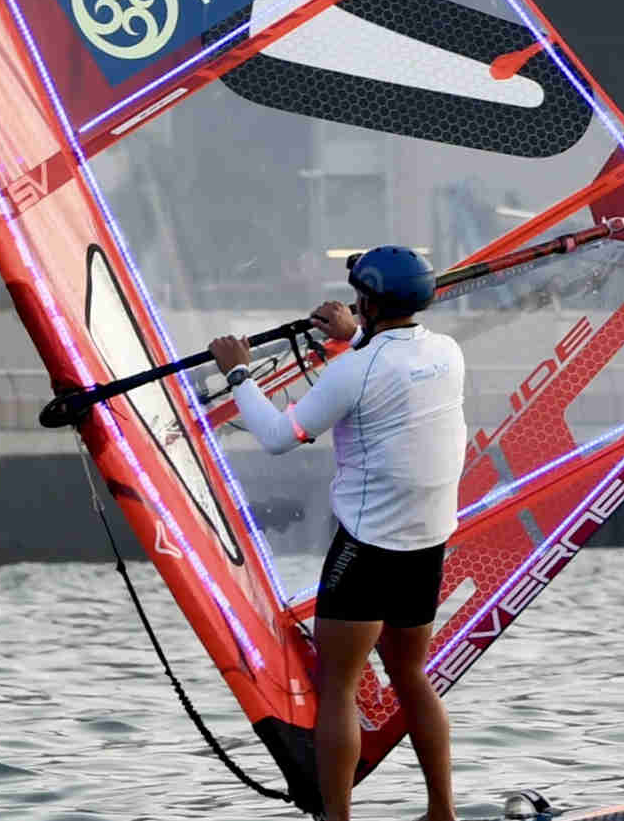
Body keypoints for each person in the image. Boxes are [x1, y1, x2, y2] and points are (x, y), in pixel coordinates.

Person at [203, 243, 467, 821]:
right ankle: (442, 813)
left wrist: (238, 372)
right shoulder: (446, 353)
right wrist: (353, 335)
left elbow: (277, 435)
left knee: (339, 686)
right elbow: (386, 370)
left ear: (368, 301)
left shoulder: (355, 368)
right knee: (409, 673)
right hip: (427, 543)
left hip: (368, 547)